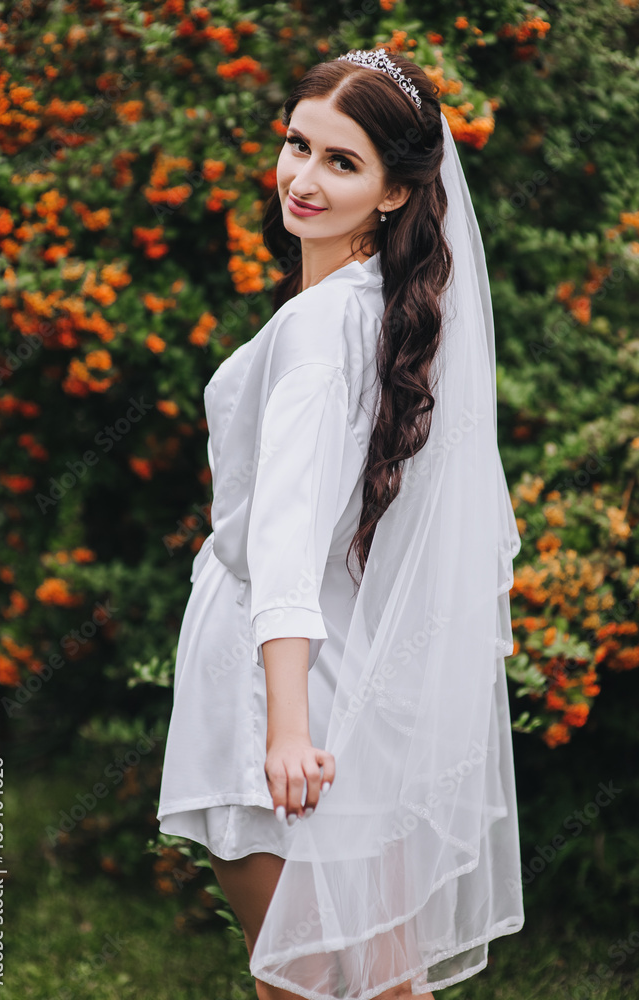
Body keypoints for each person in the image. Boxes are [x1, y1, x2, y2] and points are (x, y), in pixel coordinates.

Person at [157, 47, 524, 1000]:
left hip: (278, 685)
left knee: (302, 984)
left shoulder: (325, 331)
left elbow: (283, 537)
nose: (302, 178)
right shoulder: (390, 313)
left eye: (340, 161)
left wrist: (283, 731)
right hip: (352, 669)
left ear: (398, 192)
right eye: (296, 144)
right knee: (382, 979)